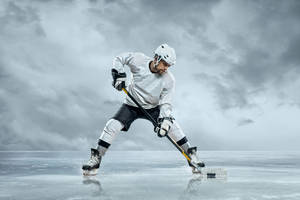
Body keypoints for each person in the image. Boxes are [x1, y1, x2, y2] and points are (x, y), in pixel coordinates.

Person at [82, 44, 205, 175]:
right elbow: (119, 59)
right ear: (157, 58)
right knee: (112, 126)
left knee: (173, 128)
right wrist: (118, 74)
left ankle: (191, 157)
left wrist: (165, 121)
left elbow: (166, 103)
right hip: (131, 105)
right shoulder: (139, 60)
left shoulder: (169, 80)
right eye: (164, 64)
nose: (166, 68)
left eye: (168, 66)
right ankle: (96, 158)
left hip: (153, 108)